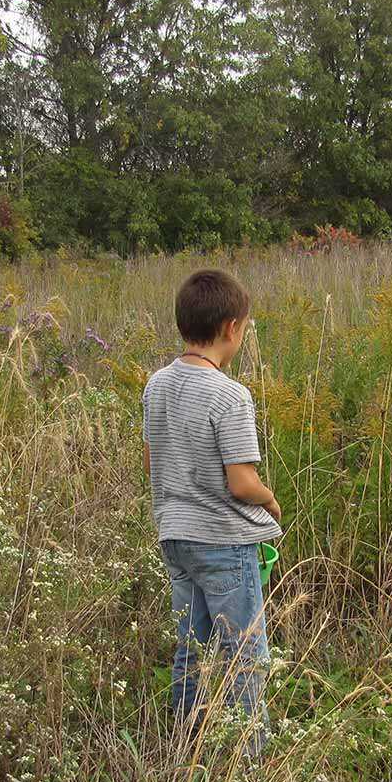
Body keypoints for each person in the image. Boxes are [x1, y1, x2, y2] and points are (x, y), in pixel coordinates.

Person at [142, 269, 283, 744]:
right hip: (224, 541)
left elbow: (154, 460)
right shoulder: (230, 394)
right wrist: (270, 501)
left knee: (192, 646)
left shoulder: (156, 385)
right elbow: (242, 483)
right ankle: (248, 761)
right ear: (232, 327)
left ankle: (186, 742)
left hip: (175, 536)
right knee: (244, 653)